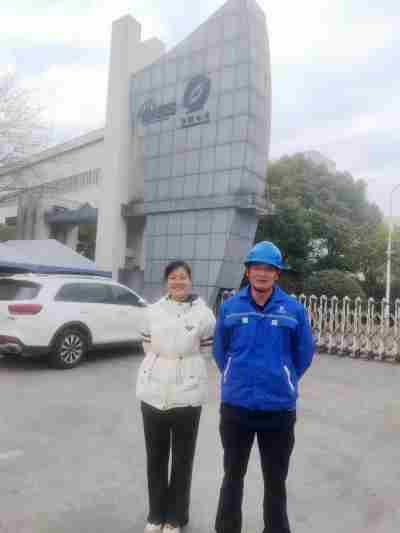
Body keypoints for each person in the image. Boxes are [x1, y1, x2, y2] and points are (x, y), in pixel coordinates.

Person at [213, 241, 315, 533]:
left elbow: (304, 354)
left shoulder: (293, 310)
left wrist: (284, 377)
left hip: (278, 409)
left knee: (275, 479)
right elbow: (220, 352)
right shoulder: (230, 307)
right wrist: (236, 375)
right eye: (257, 267)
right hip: (236, 407)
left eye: (269, 268)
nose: (262, 273)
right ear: (247, 271)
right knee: (233, 475)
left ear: (277, 274)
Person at [136, 260, 216, 533]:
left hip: (188, 391)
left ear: (190, 281)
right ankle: (156, 515)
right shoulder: (152, 312)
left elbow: (206, 351)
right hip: (153, 390)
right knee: (155, 456)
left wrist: (184, 366)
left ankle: (175, 518)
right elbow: (147, 345)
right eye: (173, 277)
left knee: (182, 458)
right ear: (166, 282)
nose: (178, 281)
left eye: (183, 277)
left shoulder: (205, 315)